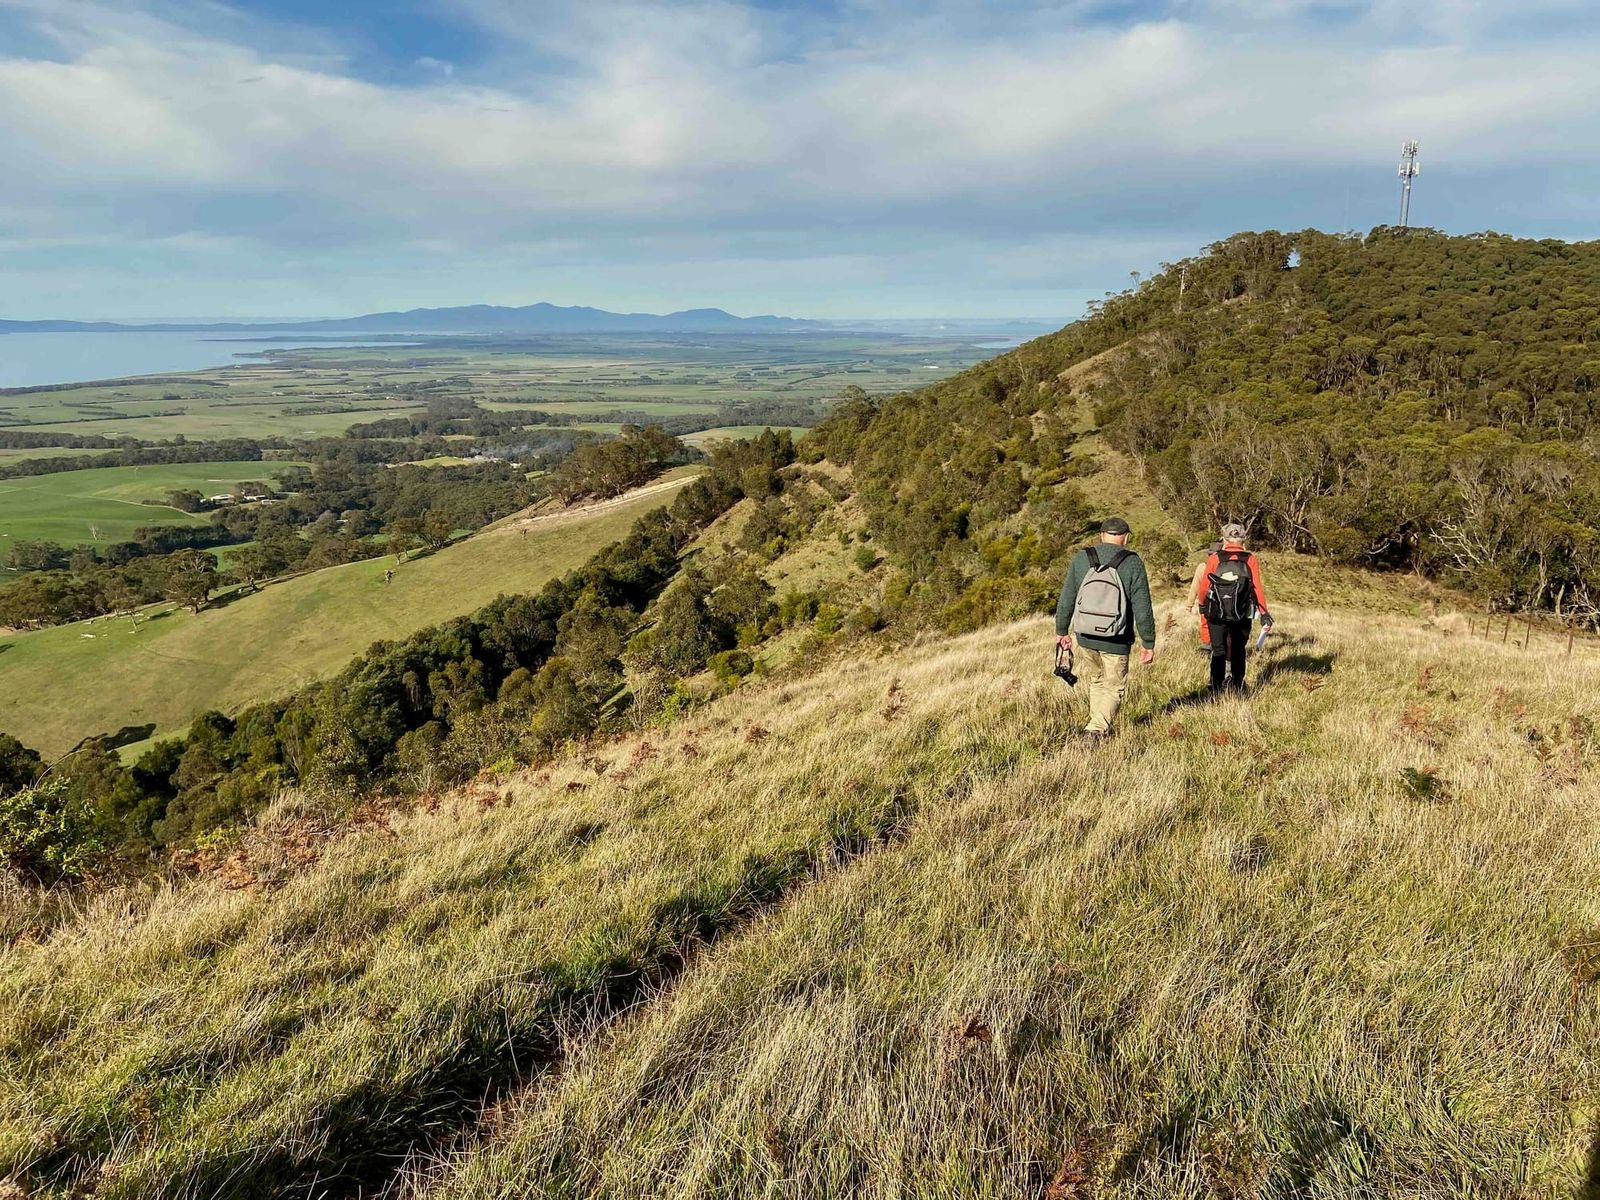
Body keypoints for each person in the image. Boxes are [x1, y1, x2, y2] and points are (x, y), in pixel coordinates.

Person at [1055, 517, 1157, 739]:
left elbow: (1067, 597)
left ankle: (1096, 724)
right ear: (1126, 537)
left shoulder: (1082, 558)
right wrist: (1148, 642)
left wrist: (1061, 630)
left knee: (1097, 680)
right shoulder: (1132, 563)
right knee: (1114, 686)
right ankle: (1096, 730)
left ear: (1101, 535)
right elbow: (1143, 607)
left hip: (1085, 635)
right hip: (1116, 638)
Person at [1195, 523, 1273, 694]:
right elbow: (1256, 587)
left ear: (1224, 539)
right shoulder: (1250, 559)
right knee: (1238, 650)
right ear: (1243, 539)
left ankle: (1215, 688)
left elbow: (1204, 588)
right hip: (1242, 612)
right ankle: (1237, 686)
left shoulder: (1215, 558)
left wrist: (1202, 605)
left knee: (1218, 650)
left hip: (1217, 612)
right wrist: (1263, 612)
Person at [1186, 541, 1223, 650]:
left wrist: (1190, 605)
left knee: (1206, 624)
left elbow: (1195, 586)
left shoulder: (1202, 567)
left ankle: (1207, 647)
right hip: (1224, 602)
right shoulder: (1227, 566)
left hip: (1207, 601)